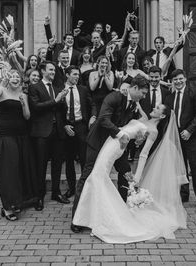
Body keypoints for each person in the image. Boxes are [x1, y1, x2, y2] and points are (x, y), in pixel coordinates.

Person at [72, 104, 188, 243]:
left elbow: (144, 154)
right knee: (96, 175)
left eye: (158, 108)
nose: (154, 108)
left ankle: (99, 217)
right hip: (112, 141)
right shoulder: (144, 117)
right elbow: (135, 101)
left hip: (117, 147)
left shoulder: (153, 131)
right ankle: (90, 215)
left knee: (97, 175)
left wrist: (136, 178)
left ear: (162, 116)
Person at [71, 74, 149, 233]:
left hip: (115, 147)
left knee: (126, 173)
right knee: (88, 175)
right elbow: (103, 119)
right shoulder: (113, 97)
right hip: (98, 143)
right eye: (143, 92)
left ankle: (122, 208)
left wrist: (138, 137)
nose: (144, 96)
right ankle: (77, 218)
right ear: (134, 88)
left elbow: (128, 125)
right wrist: (121, 135)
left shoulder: (134, 104)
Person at [0, 62, 37, 221]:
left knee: (18, 170)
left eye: (18, 77)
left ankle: (16, 202)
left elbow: (27, 116)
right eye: (13, 76)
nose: (15, 79)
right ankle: (7, 207)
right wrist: (0, 74)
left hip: (22, 135)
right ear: (8, 79)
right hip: (6, 135)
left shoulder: (23, 95)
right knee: (8, 170)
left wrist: (24, 105)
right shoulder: (2, 91)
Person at [165, 69, 196, 214]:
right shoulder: (170, 97)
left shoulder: (195, 92)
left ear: (185, 79)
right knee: (180, 167)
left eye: (180, 79)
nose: (177, 82)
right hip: (177, 138)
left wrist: (189, 130)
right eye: (175, 80)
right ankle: (184, 194)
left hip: (193, 136)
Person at [28, 61, 70, 210]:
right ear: (43, 71)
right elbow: (36, 108)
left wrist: (63, 100)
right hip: (42, 132)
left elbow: (62, 111)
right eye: (50, 70)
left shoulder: (58, 88)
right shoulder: (34, 87)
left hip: (58, 131)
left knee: (58, 164)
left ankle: (56, 193)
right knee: (41, 165)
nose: (53, 72)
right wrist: (55, 100)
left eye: (54, 70)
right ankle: (39, 196)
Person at [61, 66, 97, 198]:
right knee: (69, 160)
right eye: (74, 74)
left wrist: (93, 116)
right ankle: (71, 189)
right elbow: (57, 111)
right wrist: (64, 125)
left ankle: (84, 188)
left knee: (84, 158)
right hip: (67, 127)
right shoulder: (60, 90)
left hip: (81, 126)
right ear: (67, 75)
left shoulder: (83, 89)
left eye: (78, 74)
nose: (77, 76)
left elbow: (92, 104)